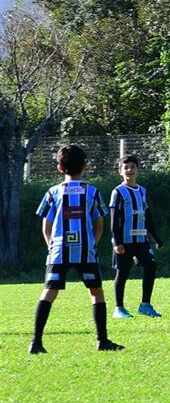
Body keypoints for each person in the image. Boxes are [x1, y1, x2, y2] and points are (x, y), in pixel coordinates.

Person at [30, 145, 124, 354]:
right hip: (85, 250)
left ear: (59, 168)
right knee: (96, 292)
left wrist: (52, 248)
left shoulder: (53, 192)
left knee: (49, 292)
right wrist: (92, 244)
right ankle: (102, 341)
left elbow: (46, 226)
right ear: (85, 166)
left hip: (58, 250)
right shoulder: (92, 191)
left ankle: (36, 342)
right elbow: (99, 224)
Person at [109, 155, 164, 319]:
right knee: (123, 272)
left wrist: (156, 238)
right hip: (124, 242)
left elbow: (147, 216)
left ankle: (145, 305)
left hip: (141, 241)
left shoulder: (142, 191)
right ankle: (119, 308)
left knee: (151, 266)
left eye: (133, 167)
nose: (129, 170)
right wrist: (116, 241)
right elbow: (114, 218)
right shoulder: (118, 192)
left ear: (137, 170)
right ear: (120, 171)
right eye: (126, 167)